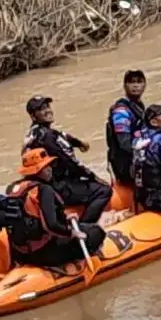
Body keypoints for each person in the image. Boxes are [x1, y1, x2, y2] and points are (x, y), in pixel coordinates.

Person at [6, 149, 106, 269]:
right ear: (37, 171)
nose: (50, 169)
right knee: (96, 232)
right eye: (46, 167)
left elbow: (33, 215)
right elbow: (51, 225)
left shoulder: (13, 189)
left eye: (49, 166)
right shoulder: (44, 190)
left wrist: (65, 219)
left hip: (20, 253)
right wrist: (72, 233)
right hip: (45, 253)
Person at [21, 95, 112, 225]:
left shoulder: (35, 133)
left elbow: (61, 136)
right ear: (33, 116)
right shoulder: (45, 136)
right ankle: (86, 226)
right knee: (104, 190)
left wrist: (79, 143)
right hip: (57, 187)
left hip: (47, 185)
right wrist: (92, 176)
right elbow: (68, 161)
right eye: (41, 109)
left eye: (47, 106)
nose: (47, 110)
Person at [105, 70, 147, 186]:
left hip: (137, 159)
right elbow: (125, 144)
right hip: (127, 165)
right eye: (131, 82)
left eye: (139, 82)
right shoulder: (121, 112)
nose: (135, 85)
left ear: (145, 85)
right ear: (124, 86)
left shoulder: (138, 106)